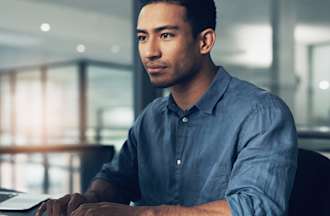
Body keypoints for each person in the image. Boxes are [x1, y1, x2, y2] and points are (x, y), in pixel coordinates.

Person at [36, 0, 297, 215]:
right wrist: (87, 200)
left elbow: (255, 209)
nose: (149, 52)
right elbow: (116, 179)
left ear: (204, 41)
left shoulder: (262, 113)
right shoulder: (151, 117)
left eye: (166, 35)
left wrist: (144, 213)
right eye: (142, 37)